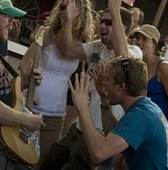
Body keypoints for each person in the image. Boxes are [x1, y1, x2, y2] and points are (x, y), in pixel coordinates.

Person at [40, 0, 142, 169]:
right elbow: (68, 50)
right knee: (48, 163)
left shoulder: (133, 52)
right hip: (80, 126)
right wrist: (68, 22)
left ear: (122, 27)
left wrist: (115, 11)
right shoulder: (97, 47)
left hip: (99, 133)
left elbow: (124, 62)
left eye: (109, 23)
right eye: (102, 21)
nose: (103, 25)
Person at [19, 0, 94, 168]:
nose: (64, 10)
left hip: (56, 113)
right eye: (62, 6)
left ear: (81, 11)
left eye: (68, 7)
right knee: (20, 157)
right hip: (31, 105)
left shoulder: (82, 42)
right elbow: (25, 64)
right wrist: (31, 85)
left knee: (42, 161)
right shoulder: (47, 32)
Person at [0, 0, 45, 169]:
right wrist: (25, 119)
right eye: (6, 15)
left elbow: (1, 85)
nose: (12, 21)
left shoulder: (1, 41)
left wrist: (24, 83)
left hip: (7, 128)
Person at [131, 24, 168, 125]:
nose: (139, 42)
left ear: (154, 43)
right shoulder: (136, 63)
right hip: (139, 123)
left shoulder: (163, 66)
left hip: (159, 128)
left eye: (144, 39)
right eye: (137, 38)